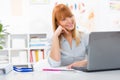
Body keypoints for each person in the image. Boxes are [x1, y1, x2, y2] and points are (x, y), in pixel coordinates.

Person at [47, 4, 89, 69]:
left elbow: (96, 59)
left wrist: (83, 63)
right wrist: (55, 37)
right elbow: (54, 64)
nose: (70, 21)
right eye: (64, 19)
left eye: (70, 16)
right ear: (58, 23)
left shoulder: (84, 35)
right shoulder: (52, 39)